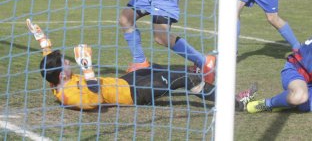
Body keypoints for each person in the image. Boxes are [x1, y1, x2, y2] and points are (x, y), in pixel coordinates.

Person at [27, 19, 257, 111]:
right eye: (66, 63)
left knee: (159, 68)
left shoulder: (54, 79)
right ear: (61, 75)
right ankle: (236, 104)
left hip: (124, 82)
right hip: (133, 95)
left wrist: (39, 35)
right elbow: (94, 102)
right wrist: (87, 68)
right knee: (183, 80)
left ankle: (208, 81)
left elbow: (47, 52)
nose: (69, 62)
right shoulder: (67, 95)